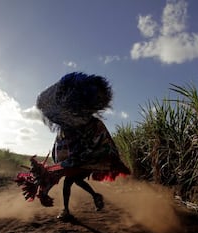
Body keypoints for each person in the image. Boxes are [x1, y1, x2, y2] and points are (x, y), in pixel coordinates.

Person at [36, 72, 130, 221]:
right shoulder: (66, 127)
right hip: (75, 160)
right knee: (76, 180)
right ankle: (95, 196)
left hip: (87, 159)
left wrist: (84, 155)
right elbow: (59, 147)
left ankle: (66, 211)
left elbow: (102, 144)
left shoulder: (93, 124)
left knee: (68, 182)